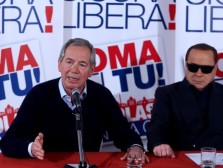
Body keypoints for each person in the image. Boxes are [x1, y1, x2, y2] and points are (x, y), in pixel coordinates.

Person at [0, 38, 149, 163]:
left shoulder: (101, 95)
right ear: (59, 64)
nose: (74, 70)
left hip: (88, 165)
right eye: (69, 62)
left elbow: (123, 133)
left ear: (91, 71)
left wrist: (135, 146)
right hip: (48, 164)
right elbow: (8, 142)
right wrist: (31, 147)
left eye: (82, 64)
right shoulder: (39, 94)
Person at [146, 43, 223, 158]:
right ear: (186, 65)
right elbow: (158, 124)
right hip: (181, 160)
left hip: (221, 162)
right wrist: (159, 143)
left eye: (206, 69)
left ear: (215, 68)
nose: (199, 74)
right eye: (193, 67)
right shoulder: (167, 93)